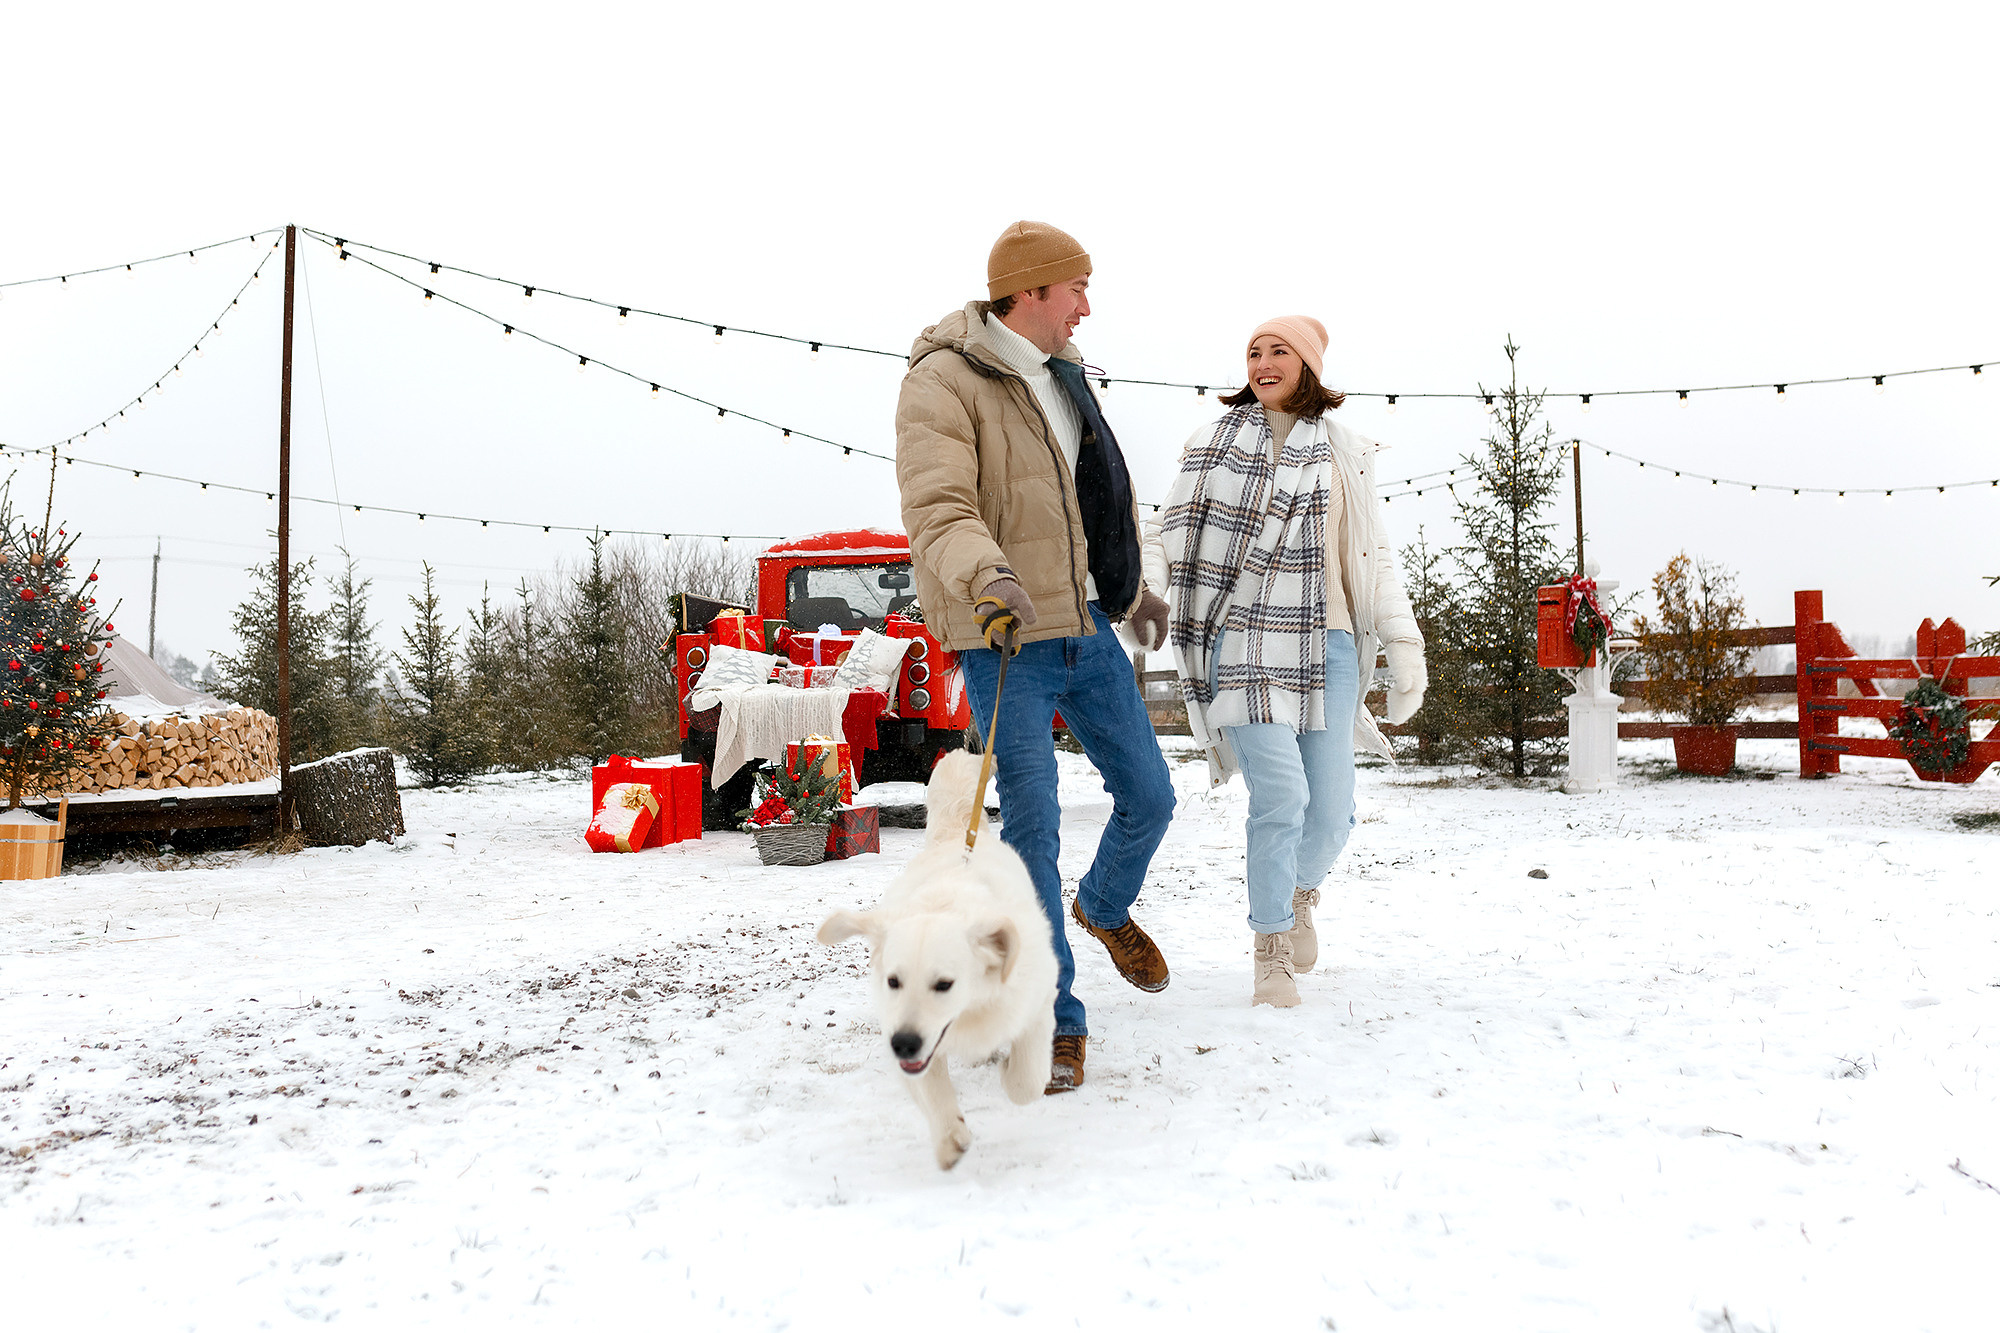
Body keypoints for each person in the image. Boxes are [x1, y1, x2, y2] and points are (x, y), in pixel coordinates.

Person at [895, 221, 1177, 1093]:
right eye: (1075, 291)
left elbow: (1097, 500)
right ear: (1029, 293)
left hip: (1085, 625)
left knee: (1152, 795)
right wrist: (988, 576)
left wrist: (1130, 590)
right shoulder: (942, 380)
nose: (1085, 309)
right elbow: (938, 504)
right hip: (1002, 638)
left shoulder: (1066, 377)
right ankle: (1056, 1023)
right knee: (1031, 836)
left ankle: (1103, 905)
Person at [1142, 316, 1426, 1007]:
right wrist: (1148, 590)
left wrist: (1404, 641)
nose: (1264, 362)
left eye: (1279, 351)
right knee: (1282, 799)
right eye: (1254, 351)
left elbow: (1375, 557)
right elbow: (1165, 529)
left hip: (1327, 643)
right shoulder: (1212, 446)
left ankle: (1299, 895)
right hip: (1241, 645)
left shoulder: (1342, 453)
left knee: (1331, 815)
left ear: (1308, 365)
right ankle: (1270, 949)